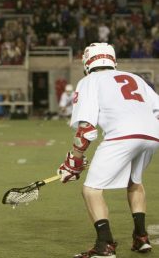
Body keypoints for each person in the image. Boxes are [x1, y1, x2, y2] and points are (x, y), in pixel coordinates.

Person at [57, 43, 159, 258]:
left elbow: (86, 130)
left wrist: (74, 161)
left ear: (87, 61)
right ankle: (141, 237)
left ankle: (105, 245)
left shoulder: (89, 81)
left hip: (122, 135)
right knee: (134, 182)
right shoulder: (136, 78)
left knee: (91, 190)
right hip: (153, 134)